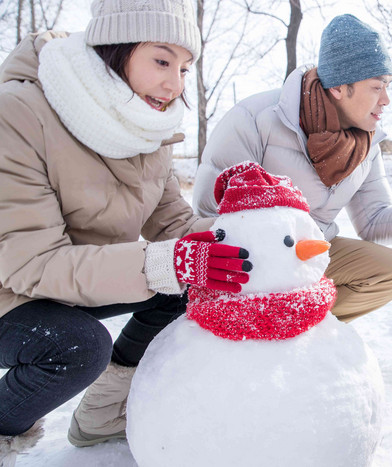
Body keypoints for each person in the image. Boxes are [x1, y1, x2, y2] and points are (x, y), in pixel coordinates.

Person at [0, 0, 251, 463]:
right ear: (115, 49)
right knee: (75, 348)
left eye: (184, 68)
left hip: (75, 281)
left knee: (188, 287)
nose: (174, 84)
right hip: (11, 288)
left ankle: (102, 413)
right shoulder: (18, 112)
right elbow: (30, 262)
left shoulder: (145, 129)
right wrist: (166, 261)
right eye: (161, 61)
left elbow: (174, 224)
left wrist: (250, 228)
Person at [192, 14, 392, 323]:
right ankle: (256, 325)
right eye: (377, 87)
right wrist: (276, 259)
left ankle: (301, 325)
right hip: (249, 261)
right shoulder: (255, 119)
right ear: (339, 86)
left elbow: (375, 222)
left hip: (313, 251)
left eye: (387, 86)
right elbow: (210, 216)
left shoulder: (366, 143)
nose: (387, 100)